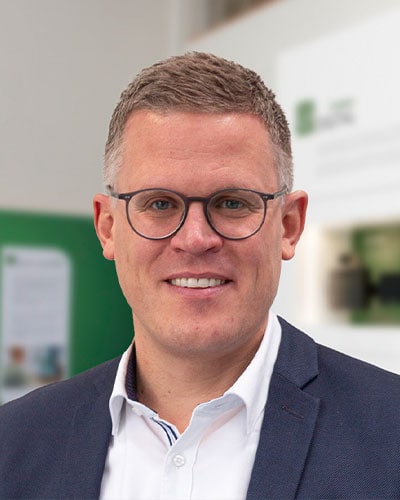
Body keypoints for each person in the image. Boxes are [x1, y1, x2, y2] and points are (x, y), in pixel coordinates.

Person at [0, 52, 399, 500]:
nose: (195, 239)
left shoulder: (391, 434)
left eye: (232, 203)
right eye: (159, 203)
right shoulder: (13, 443)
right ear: (107, 227)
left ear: (288, 226)